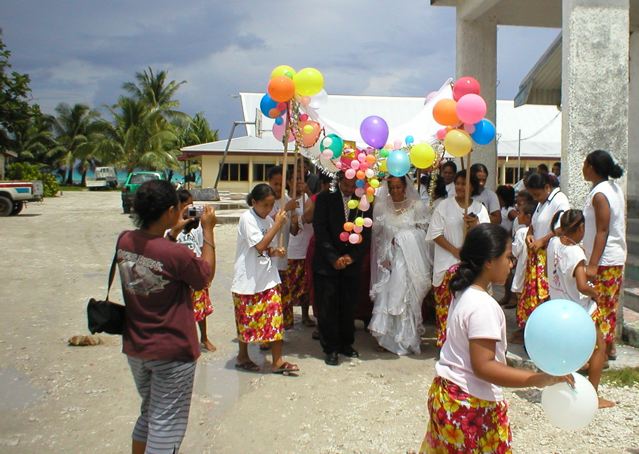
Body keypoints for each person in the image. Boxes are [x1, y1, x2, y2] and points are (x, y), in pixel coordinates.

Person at [420, 224, 573, 453]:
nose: (511, 265)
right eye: (508, 257)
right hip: (470, 406)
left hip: (447, 395)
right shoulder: (483, 306)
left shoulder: (462, 291)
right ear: (489, 261)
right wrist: (538, 378)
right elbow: (484, 367)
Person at [117, 179, 216, 454]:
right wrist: (208, 231)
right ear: (172, 210)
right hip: (171, 350)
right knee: (166, 424)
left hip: (137, 345)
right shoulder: (176, 254)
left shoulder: (124, 240)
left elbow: (152, 254)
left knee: (149, 413)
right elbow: (204, 276)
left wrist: (172, 232)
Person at [546, 209, 614, 408]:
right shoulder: (575, 252)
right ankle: (593, 396)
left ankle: (561, 388)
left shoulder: (553, 244)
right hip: (579, 309)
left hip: (558, 305)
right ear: (581, 227)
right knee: (599, 348)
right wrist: (596, 294)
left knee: (565, 350)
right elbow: (582, 286)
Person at [231, 183, 299, 375]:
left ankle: (277, 361)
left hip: (268, 277)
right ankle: (242, 356)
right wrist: (277, 225)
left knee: (275, 318)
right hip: (248, 279)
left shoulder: (268, 220)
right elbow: (259, 246)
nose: (268, 209)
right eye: (265, 205)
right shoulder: (247, 218)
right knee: (246, 320)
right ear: (254, 202)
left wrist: (275, 251)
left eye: (271, 205)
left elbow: (265, 248)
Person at [313, 172, 372, 366]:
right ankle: (330, 348)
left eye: (352, 186)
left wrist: (351, 257)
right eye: (345, 185)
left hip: (350, 264)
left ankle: (346, 343)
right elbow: (320, 231)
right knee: (327, 307)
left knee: (348, 306)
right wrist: (333, 258)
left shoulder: (364, 201)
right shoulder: (324, 198)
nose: (348, 189)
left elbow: (366, 232)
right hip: (326, 264)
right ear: (339, 181)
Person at [426, 170, 490, 348]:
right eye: (458, 183)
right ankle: (444, 343)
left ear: (472, 186)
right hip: (447, 264)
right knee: (446, 307)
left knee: (467, 309)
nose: (460, 187)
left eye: (464, 184)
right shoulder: (444, 206)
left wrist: (475, 225)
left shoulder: (479, 208)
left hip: (471, 266)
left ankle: (464, 347)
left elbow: (486, 235)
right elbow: (435, 233)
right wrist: (455, 251)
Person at [368, 176, 430, 355]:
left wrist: (405, 238)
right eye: (392, 187)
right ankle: (385, 338)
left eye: (398, 187)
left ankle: (406, 339)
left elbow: (424, 234)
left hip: (408, 259)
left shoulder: (416, 206)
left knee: (406, 299)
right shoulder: (381, 206)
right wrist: (382, 257)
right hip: (387, 259)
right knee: (386, 296)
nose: (395, 191)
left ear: (405, 187)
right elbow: (378, 236)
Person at [582, 150, 626, 361]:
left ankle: (602, 351)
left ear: (591, 167)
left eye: (585, 164)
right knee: (608, 304)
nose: (583, 168)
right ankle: (607, 348)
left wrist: (592, 264)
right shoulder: (612, 188)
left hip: (604, 260)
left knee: (599, 306)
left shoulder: (600, 194)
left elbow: (602, 230)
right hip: (611, 259)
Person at [514, 172, 570, 339]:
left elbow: (563, 227)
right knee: (533, 297)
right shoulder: (541, 203)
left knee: (545, 296)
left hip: (549, 257)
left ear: (547, 187)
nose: (535, 198)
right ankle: (532, 330)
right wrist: (530, 234)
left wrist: (542, 240)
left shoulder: (560, 200)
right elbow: (534, 223)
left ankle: (545, 333)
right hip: (536, 257)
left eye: (537, 194)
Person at [167, 189, 216, 352]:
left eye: (192, 204)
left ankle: (204, 337)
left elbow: (204, 248)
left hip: (195, 271)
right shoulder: (170, 229)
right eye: (187, 204)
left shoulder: (197, 227)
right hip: (178, 275)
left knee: (200, 308)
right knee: (180, 310)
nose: (190, 208)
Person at [267, 166, 298, 329]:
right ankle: (267, 334)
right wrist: (285, 209)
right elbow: (267, 222)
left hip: (283, 259)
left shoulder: (288, 199)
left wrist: (294, 222)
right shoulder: (265, 200)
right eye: (275, 184)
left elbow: (293, 231)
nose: (278, 187)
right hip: (267, 259)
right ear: (269, 182)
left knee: (283, 299)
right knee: (268, 300)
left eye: (281, 184)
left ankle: (278, 334)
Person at [304, 173, 333, 341]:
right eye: (329, 185)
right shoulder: (315, 199)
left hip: (335, 248)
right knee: (318, 287)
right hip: (318, 247)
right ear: (322, 185)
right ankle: (319, 323)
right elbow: (306, 218)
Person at [286, 170, 315, 327]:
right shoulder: (286, 200)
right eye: (295, 179)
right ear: (289, 182)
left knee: (305, 286)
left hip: (305, 249)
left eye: (300, 179)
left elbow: (311, 214)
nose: (298, 182)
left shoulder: (307, 199)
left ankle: (305, 315)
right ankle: (287, 316)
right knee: (290, 285)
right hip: (291, 250)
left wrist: (308, 192)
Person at [505, 202, 535, 311]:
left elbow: (515, 251)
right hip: (532, 270)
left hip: (522, 269)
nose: (518, 216)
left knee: (521, 298)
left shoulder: (521, 232)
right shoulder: (537, 232)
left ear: (528, 217)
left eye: (520, 213)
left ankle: (523, 323)